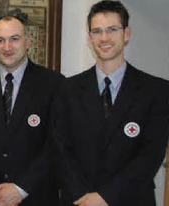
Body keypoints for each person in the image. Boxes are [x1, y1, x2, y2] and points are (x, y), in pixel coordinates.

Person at [52, 1, 169, 205]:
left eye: (112, 30)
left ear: (127, 33)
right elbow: (60, 149)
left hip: (131, 200)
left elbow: (150, 156)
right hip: (79, 200)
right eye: (97, 31)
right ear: (90, 38)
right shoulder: (66, 89)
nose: (104, 38)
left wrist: (105, 197)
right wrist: (84, 197)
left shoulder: (156, 91)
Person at [0, 15, 62, 206]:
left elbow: (56, 144)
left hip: (37, 197)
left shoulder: (54, 85)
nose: (7, 47)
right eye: (0, 40)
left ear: (28, 42)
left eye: (14, 39)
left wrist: (21, 189)